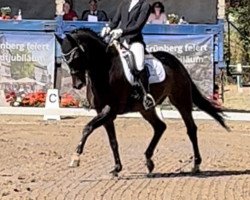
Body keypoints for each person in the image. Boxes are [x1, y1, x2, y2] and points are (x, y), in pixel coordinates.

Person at [101, 0, 155, 110]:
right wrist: (109, 27)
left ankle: (146, 95)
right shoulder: (124, 4)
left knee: (139, 65)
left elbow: (138, 26)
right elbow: (115, 21)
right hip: (121, 41)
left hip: (135, 41)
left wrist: (121, 31)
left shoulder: (145, 6)